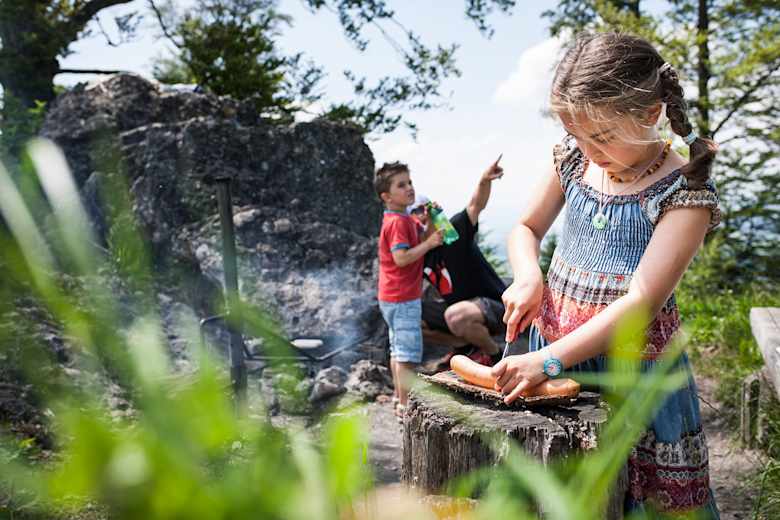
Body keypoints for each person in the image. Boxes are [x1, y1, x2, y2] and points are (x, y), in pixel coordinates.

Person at [493, 33, 721, 517]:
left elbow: (641, 302)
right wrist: (529, 275)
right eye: (575, 134)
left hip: (631, 375)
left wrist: (547, 362)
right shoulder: (574, 159)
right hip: (553, 353)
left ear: (650, 113)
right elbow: (526, 227)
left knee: (633, 501)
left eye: (601, 136)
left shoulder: (685, 193)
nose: (587, 148)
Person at [408, 157, 508, 366]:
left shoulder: (452, 235)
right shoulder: (421, 253)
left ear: (431, 213)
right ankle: (465, 347)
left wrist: (484, 180)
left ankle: (494, 354)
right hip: (460, 313)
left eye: (422, 210)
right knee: (408, 317)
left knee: (456, 316)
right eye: (413, 213)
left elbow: (475, 206)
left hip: (495, 306)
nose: (419, 217)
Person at [375, 161, 443, 418]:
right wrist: (430, 244)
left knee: (398, 350)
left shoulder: (403, 219)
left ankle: (398, 397)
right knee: (407, 356)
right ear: (387, 196)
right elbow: (401, 258)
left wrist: (432, 221)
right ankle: (405, 405)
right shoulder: (398, 223)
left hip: (393, 296)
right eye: (401, 185)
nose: (409, 188)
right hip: (402, 298)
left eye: (410, 182)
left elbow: (424, 238)